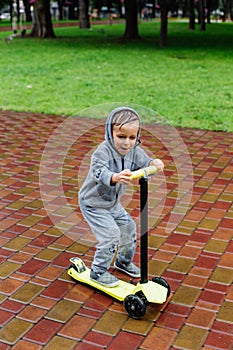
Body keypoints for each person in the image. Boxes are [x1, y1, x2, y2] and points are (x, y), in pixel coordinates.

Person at [78, 107, 164, 287]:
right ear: (110, 133)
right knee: (111, 235)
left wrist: (153, 164)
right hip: (93, 203)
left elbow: (145, 162)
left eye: (132, 138)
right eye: (121, 137)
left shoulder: (134, 150)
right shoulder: (102, 152)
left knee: (129, 228)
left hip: (112, 203)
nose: (127, 143)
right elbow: (98, 171)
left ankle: (123, 262)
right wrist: (115, 177)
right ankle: (98, 272)